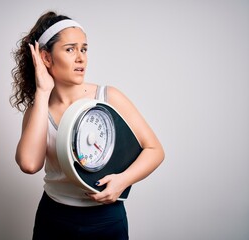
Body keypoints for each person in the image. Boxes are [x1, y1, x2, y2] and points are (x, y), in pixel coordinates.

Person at [10, 11, 164, 240]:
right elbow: (30, 164)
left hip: (107, 218)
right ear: (46, 58)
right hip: (54, 217)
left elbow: (155, 151)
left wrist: (122, 181)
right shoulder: (38, 110)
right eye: (70, 49)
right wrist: (42, 93)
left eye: (84, 49)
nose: (81, 58)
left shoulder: (108, 97)